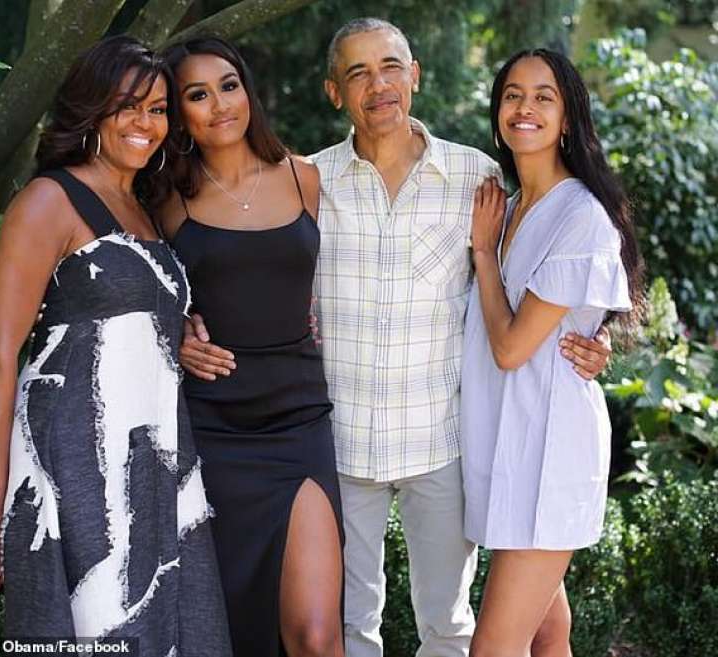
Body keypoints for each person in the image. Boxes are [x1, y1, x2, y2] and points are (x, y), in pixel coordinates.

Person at [181, 19, 612, 657]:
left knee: (449, 626)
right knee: (352, 629)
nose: (377, 85)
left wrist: (595, 335)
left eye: (389, 67)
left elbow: (554, 261)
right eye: (357, 73)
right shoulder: (308, 182)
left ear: (414, 76)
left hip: (441, 442)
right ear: (335, 92)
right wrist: (184, 323)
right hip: (340, 443)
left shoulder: (479, 180)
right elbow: (249, 265)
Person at [0, 36, 231, 655]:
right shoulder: (47, 201)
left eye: (159, 109)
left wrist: (182, 337)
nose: (146, 123)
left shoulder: (143, 208)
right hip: (74, 460)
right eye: (128, 106)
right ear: (92, 110)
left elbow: (132, 324)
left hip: (153, 456)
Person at [153, 37, 344, 657]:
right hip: (213, 426)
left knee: (316, 635)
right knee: (233, 629)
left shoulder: (304, 176)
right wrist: (174, 333)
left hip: (299, 420)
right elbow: (135, 292)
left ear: (248, 91)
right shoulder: (166, 199)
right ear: (179, 112)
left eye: (228, 85)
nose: (219, 105)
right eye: (197, 95)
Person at [462, 49, 643, 657]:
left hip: (550, 451)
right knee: (547, 630)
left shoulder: (579, 217)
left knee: (493, 648)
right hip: (509, 442)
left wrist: (484, 256)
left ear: (567, 118)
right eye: (513, 94)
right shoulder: (509, 209)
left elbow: (512, 348)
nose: (526, 108)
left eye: (544, 96)